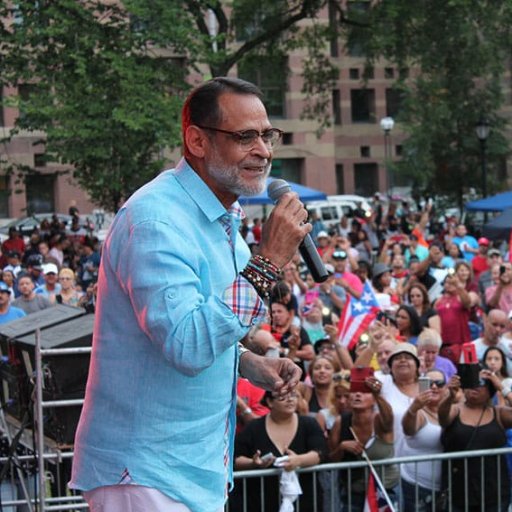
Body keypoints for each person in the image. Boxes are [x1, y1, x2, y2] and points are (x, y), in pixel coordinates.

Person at [69, 77, 306, 512]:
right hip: (145, 471)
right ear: (197, 140)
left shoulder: (223, 219)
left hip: (194, 468)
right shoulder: (155, 221)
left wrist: (250, 364)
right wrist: (268, 260)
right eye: (245, 136)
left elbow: (199, 328)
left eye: (267, 135)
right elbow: (187, 344)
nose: (264, 150)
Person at [233, 390, 326, 512]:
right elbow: (235, 458)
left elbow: (320, 452)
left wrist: (299, 460)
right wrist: (253, 463)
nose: (290, 399)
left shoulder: (309, 424)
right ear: (270, 402)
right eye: (282, 397)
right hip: (262, 501)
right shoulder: (254, 427)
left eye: (293, 395)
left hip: (305, 500)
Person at [439, 372, 512, 511]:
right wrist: (450, 396)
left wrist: (501, 387)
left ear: (490, 390)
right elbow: (443, 417)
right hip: (459, 490)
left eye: (481, 384)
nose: (475, 387)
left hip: (494, 491)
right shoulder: (455, 410)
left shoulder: (498, 413)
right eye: (471, 382)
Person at [329, 374, 398, 511]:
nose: (358, 395)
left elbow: (389, 418)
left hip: (384, 493)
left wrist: (378, 394)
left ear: (374, 400)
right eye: (353, 392)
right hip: (352, 493)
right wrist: (342, 447)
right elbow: (330, 458)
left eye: (365, 392)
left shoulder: (380, 420)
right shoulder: (341, 422)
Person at [401, 368, 446, 511]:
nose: (434, 387)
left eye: (439, 383)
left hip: (444, 489)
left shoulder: (451, 410)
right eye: (429, 383)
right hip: (416, 487)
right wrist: (413, 408)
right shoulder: (418, 412)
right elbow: (408, 428)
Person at [434, 273, 472, 364]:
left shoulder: (461, 297)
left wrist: (459, 286)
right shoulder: (438, 301)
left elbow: (467, 302)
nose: (450, 284)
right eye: (447, 282)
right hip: (444, 344)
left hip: (463, 343)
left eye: (453, 282)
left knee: (467, 370)